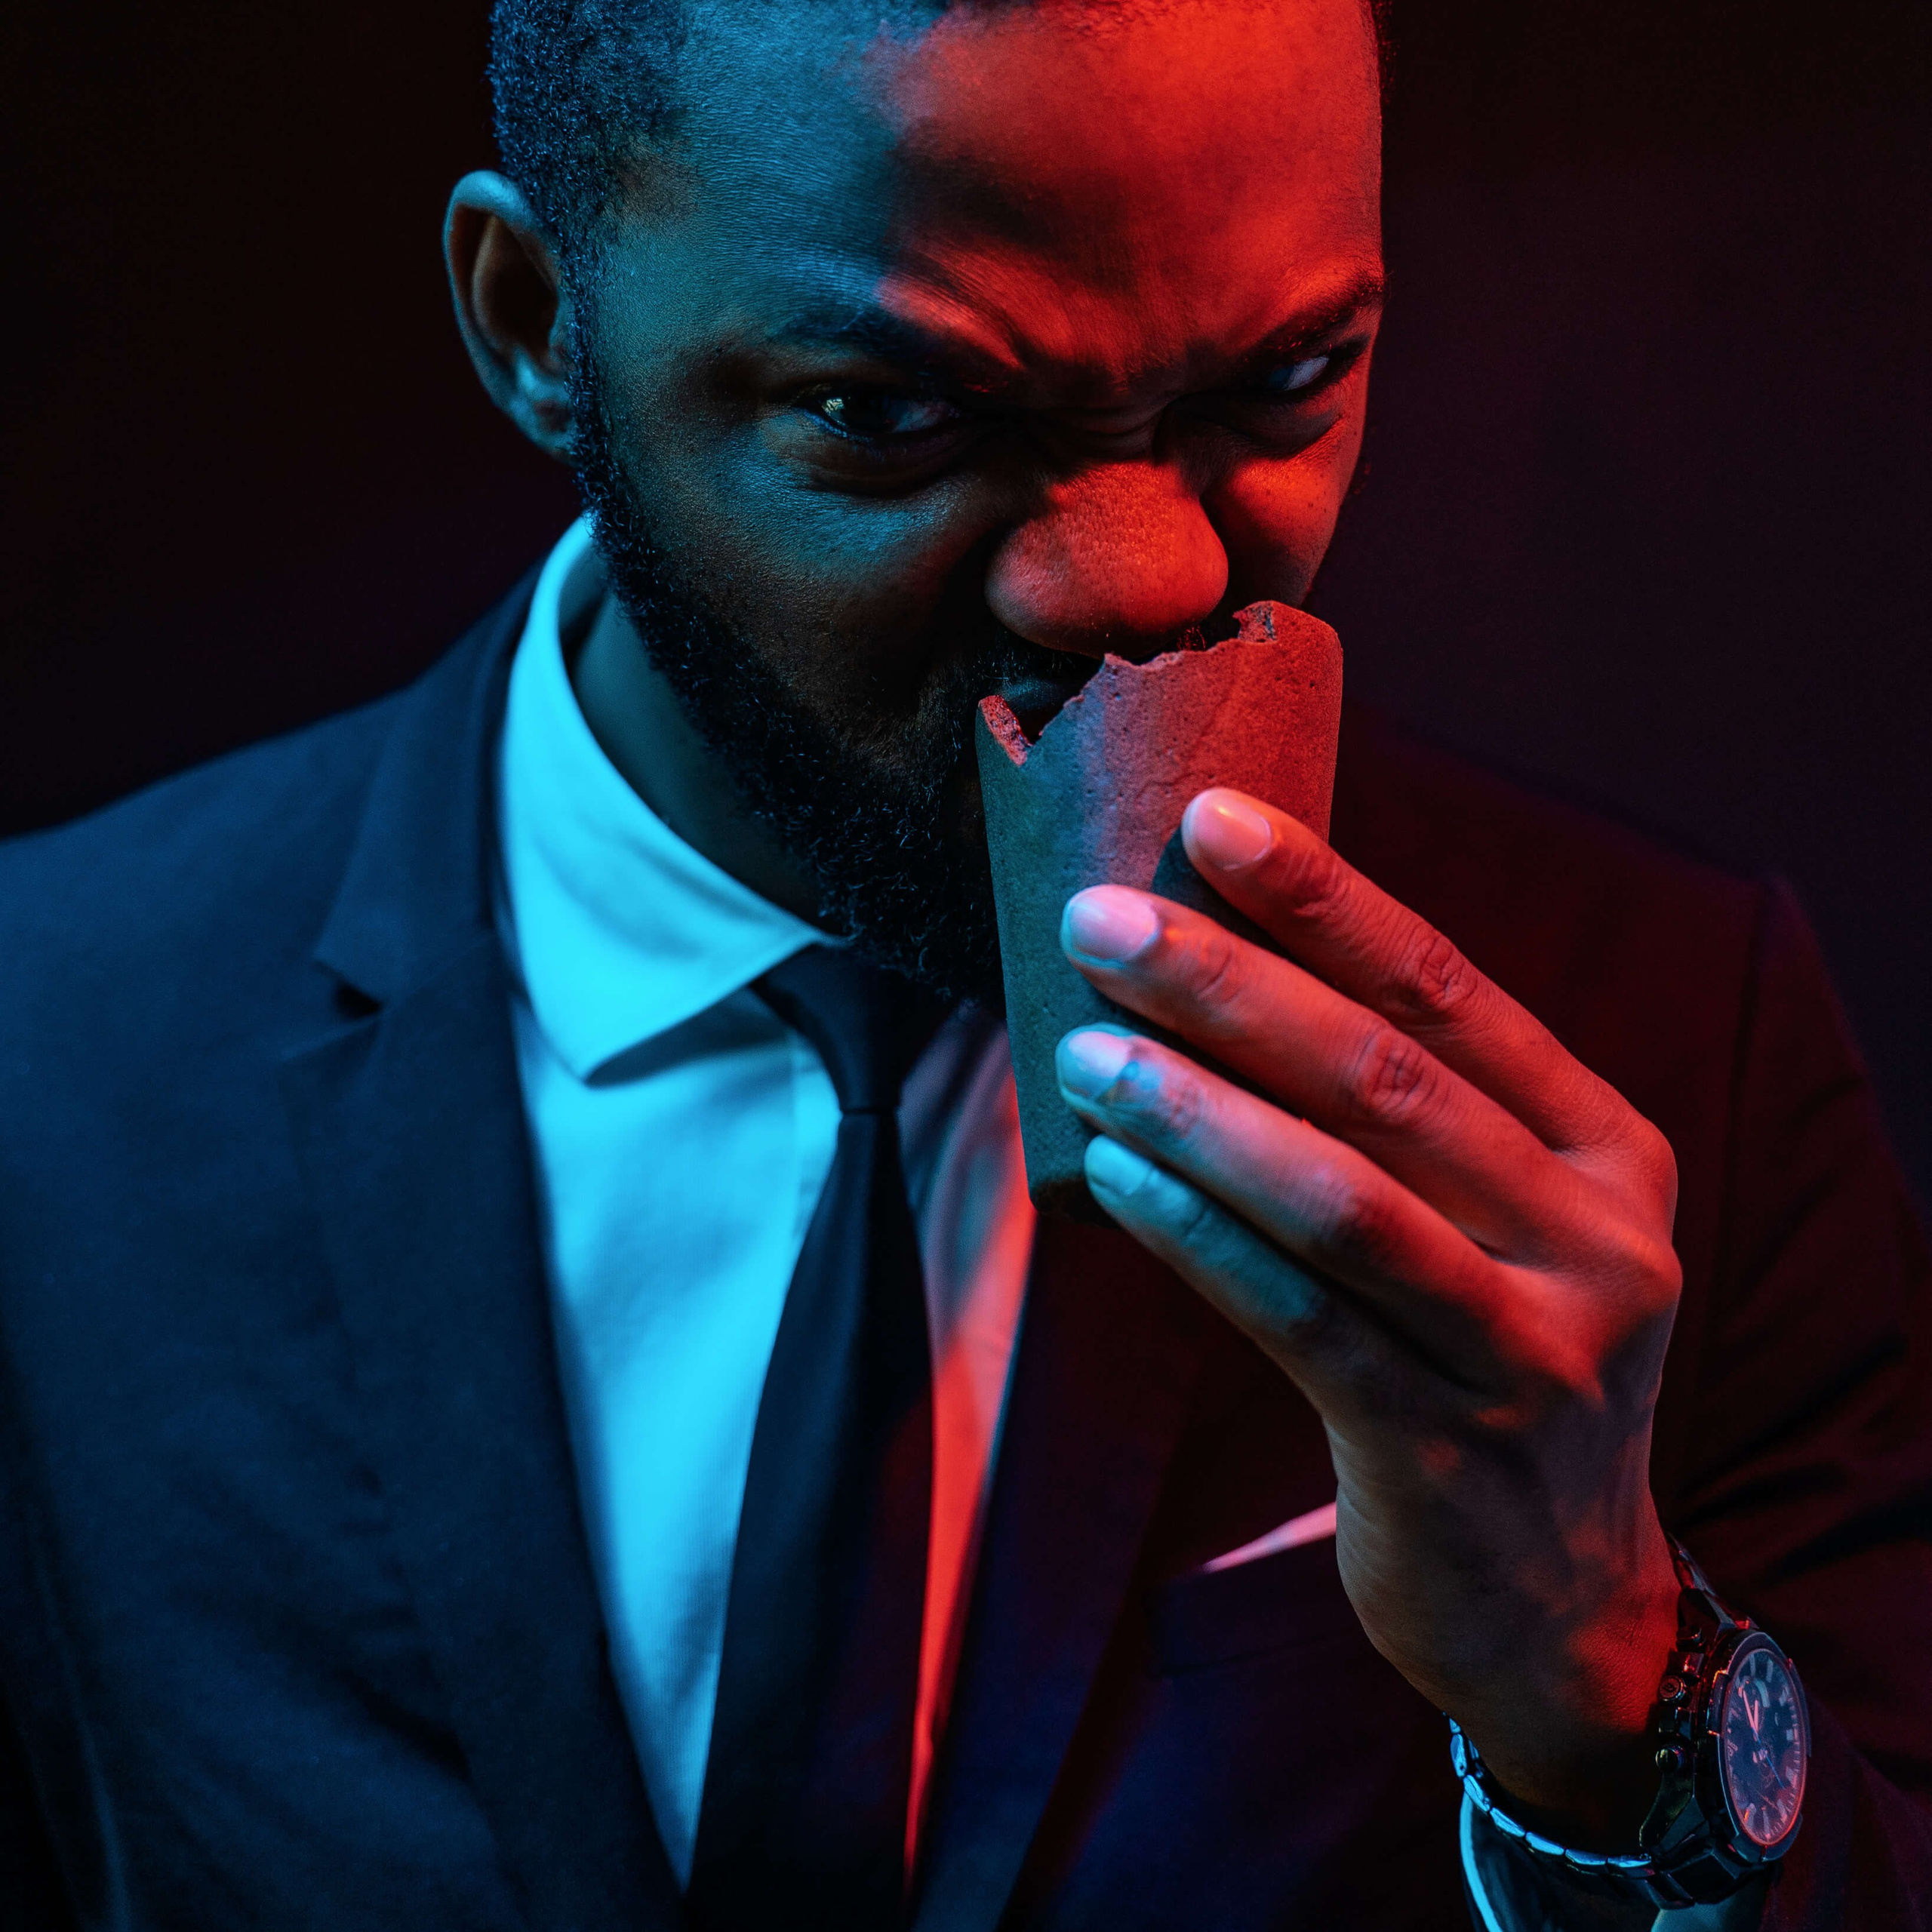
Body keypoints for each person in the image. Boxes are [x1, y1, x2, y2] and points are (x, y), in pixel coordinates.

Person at [1, 0, 1927, 1926]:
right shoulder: (52, 1061)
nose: (1140, 580)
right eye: (896, 412)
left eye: (1281, 380)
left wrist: (1599, 1670)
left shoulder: (1671, 1048)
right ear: (532, 322)